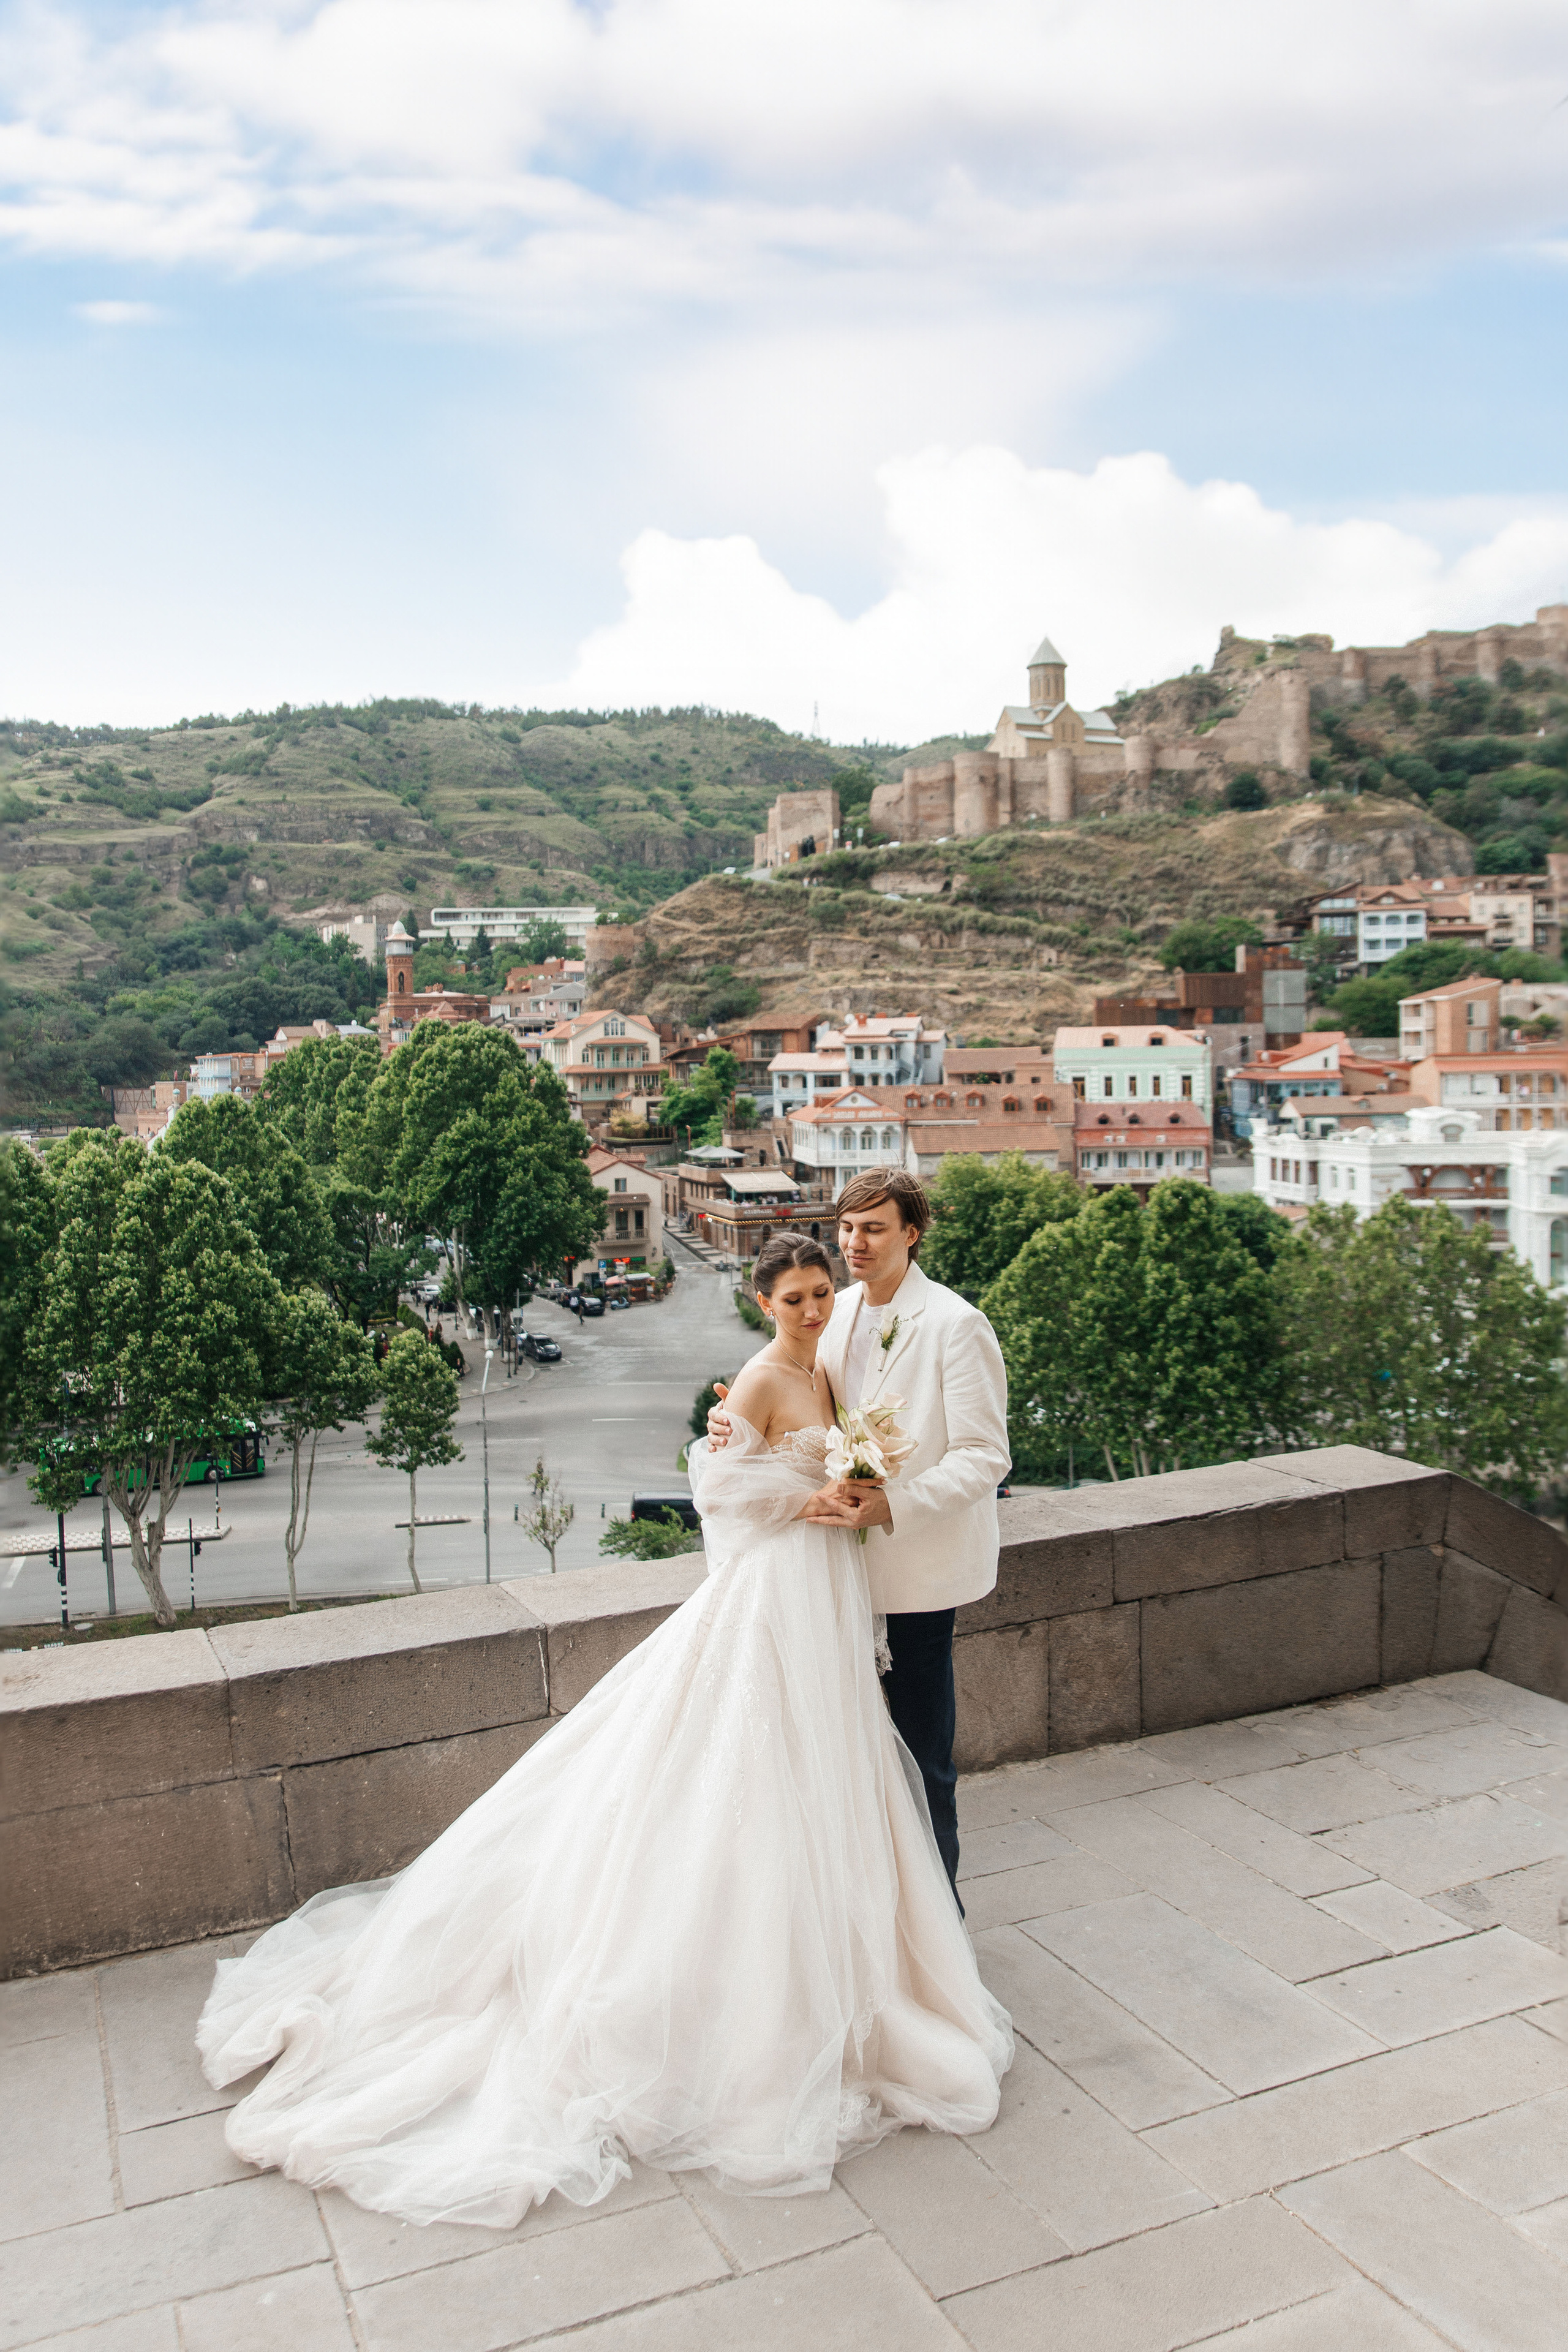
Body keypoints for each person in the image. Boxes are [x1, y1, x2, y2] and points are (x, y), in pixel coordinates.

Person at [195, 1232, 1011, 2231]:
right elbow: (719, 1492)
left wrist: (850, 1482)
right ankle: (756, 1989)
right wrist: (805, 1494)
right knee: (749, 1772)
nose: (811, 1306)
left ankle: (849, 1964)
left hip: (829, 1591)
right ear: (765, 1304)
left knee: (828, 1770)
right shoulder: (761, 1379)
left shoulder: (834, 1351)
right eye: (794, 1295)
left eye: (818, 1291)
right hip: (774, 1595)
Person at [710, 1170, 1009, 1894]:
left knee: (922, 1762)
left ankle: (945, 1928)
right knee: (845, 1765)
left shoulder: (956, 1324)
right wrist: (730, 1417)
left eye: (874, 1228)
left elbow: (985, 1456)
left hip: (917, 1575)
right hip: (829, 1577)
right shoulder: (833, 1310)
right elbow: (789, 1396)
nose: (855, 1243)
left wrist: (893, 1505)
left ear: (911, 1233)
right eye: (846, 1228)